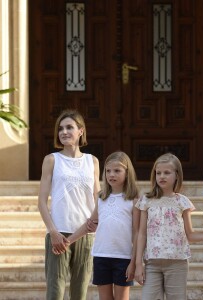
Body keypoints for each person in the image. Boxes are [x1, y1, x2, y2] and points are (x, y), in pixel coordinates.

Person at [135, 153, 203, 300]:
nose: (162, 176)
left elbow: (190, 235)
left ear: (177, 175)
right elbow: (141, 234)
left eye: (167, 173)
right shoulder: (146, 201)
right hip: (152, 263)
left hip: (177, 263)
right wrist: (138, 264)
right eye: (158, 173)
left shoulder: (182, 202)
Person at [38, 109, 101, 300]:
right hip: (59, 235)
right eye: (61, 128)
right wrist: (53, 232)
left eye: (69, 127)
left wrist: (96, 220)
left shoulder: (93, 161)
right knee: (54, 293)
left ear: (80, 131)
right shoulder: (51, 160)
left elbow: (97, 196)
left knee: (79, 293)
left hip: (85, 234)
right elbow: (41, 201)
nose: (64, 132)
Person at [61, 151, 140, 300]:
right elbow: (90, 225)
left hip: (123, 257)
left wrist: (134, 262)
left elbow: (137, 233)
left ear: (127, 172)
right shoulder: (101, 197)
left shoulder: (134, 200)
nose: (111, 174)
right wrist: (68, 240)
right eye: (108, 171)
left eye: (117, 171)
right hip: (101, 255)